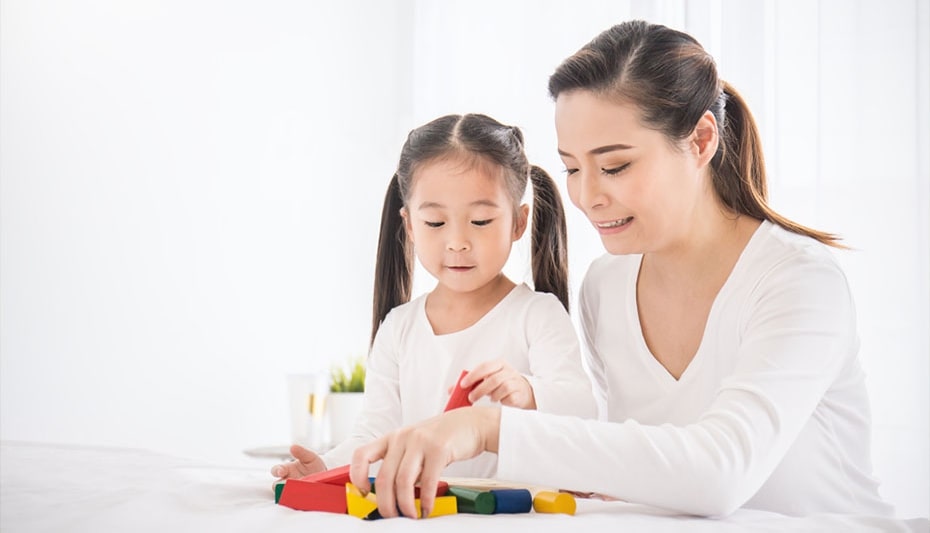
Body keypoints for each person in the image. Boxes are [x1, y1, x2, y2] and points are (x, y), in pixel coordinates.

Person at [347, 20, 893, 519]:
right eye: (571, 168)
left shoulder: (797, 280)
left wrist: (488, 427)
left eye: (614, 166)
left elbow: (719, 472)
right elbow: (626, 456)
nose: (586, 196)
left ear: (701, 140)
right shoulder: (605, 288)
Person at [271, 113, 596, 483]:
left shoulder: (536, 315)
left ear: (519, 222)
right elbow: (375, 434)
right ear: (409, 225)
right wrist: (327, 468)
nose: (457, 241)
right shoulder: (399, 327)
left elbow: (583, 414)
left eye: (481, 221)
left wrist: (530, 392)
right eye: (436, 223)